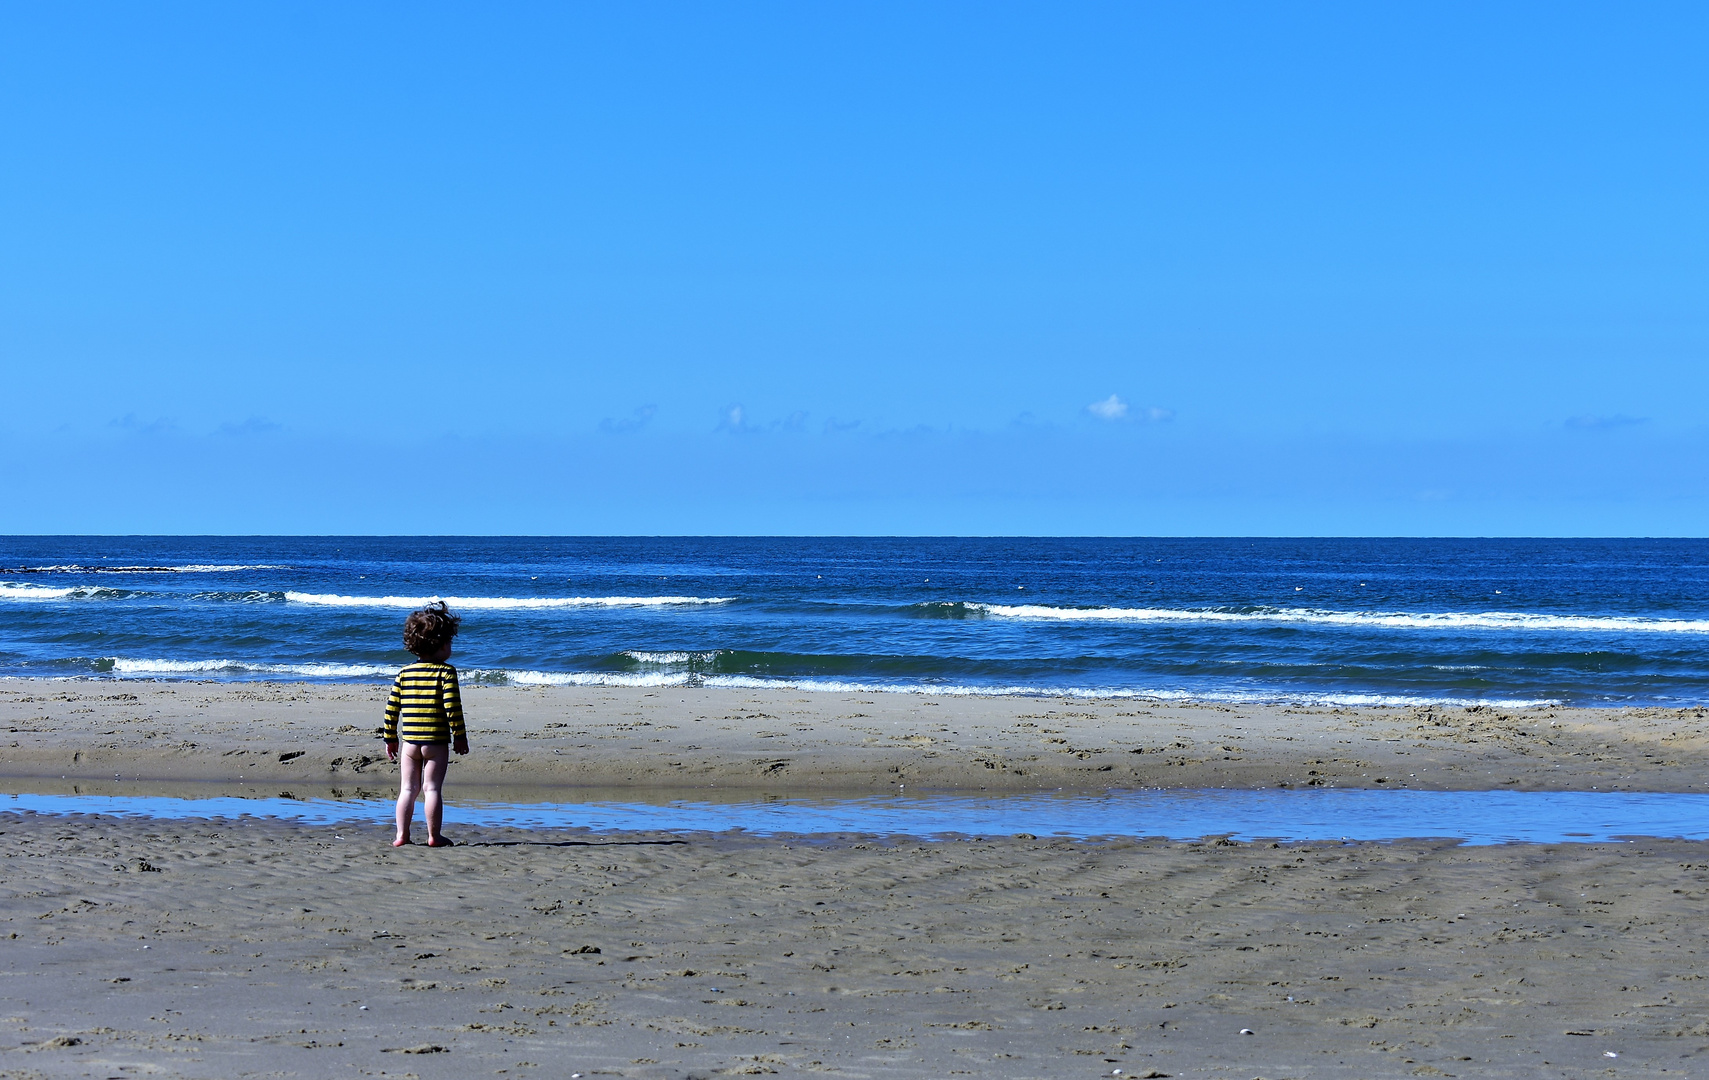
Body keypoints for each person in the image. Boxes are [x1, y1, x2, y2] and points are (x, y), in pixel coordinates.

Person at [383, 601, 469, 847]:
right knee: (431, 789)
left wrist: (390, 738)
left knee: (407, 790)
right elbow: (453, 708)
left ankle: (402, 835)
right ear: (441, 645)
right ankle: (434, 836)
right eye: (450, 642)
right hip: (436, 742)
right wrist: (460, 736)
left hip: (409, 743)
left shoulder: (404, 673)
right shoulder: (446, 673)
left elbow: (392, 709)